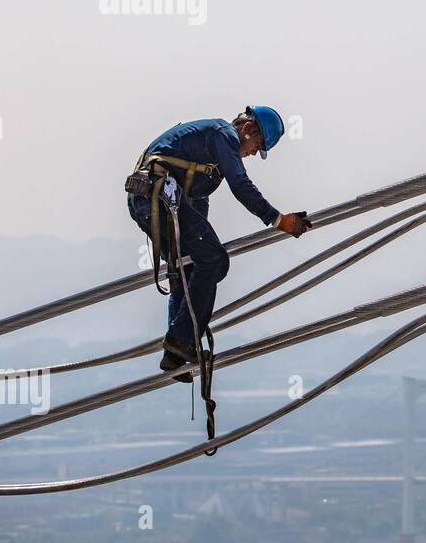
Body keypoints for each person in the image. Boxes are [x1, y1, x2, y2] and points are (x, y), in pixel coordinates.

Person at [126, 106, 310, 379]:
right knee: (213, 261)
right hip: (155, 198)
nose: (250, 154)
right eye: (255, 146)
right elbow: (241, 185)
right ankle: (180, 340)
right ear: (247, 130)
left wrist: (204, 242)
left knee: (189, 267)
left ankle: (175, 353)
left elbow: (199, 202)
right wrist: (278, 220)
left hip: (150, 200)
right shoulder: (224, 135)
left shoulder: (208, 154)